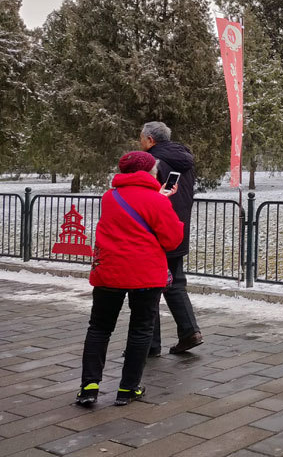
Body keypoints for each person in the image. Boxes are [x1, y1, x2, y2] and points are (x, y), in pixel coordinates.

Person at [76, 151, 184, 406]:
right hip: (145, 274)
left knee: (99, 328)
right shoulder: (157, 202)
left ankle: (89, 387)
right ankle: (128, 389)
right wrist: (165, 204)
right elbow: (171, 239)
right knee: (140, 329)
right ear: (149, 173)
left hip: (109, 272)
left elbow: (132, 207)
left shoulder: (110, 197)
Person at [139, 121, 203, 354]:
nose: (140, 141)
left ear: (150, 140)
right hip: (177, 229)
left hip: (154, 231)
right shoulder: (183, 159)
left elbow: (145, 197)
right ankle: (189, 331)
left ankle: (149, 343)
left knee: (149, 286)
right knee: (175, 282)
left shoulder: (151, 162)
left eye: (141, 137)